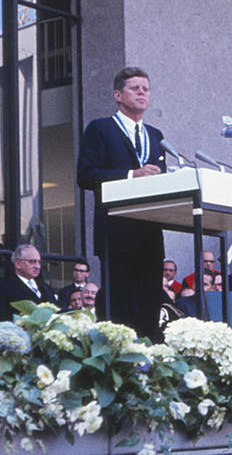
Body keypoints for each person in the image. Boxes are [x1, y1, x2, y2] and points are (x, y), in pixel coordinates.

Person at [77, 66, 166, 338]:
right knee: (120, 307)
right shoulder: (101, 128)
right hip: (116, 232)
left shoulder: (155, 135)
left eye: (146, 89)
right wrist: (131, 175)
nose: (142, 93)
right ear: (118, 94)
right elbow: (86, 175)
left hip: (149, 232)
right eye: (135, 88)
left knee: (149, 306)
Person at [0, 244, 58, 323]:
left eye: (39, 262)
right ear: (18, 264)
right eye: (32, 261)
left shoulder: (45, 288)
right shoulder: (2, 287)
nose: (38, 266)